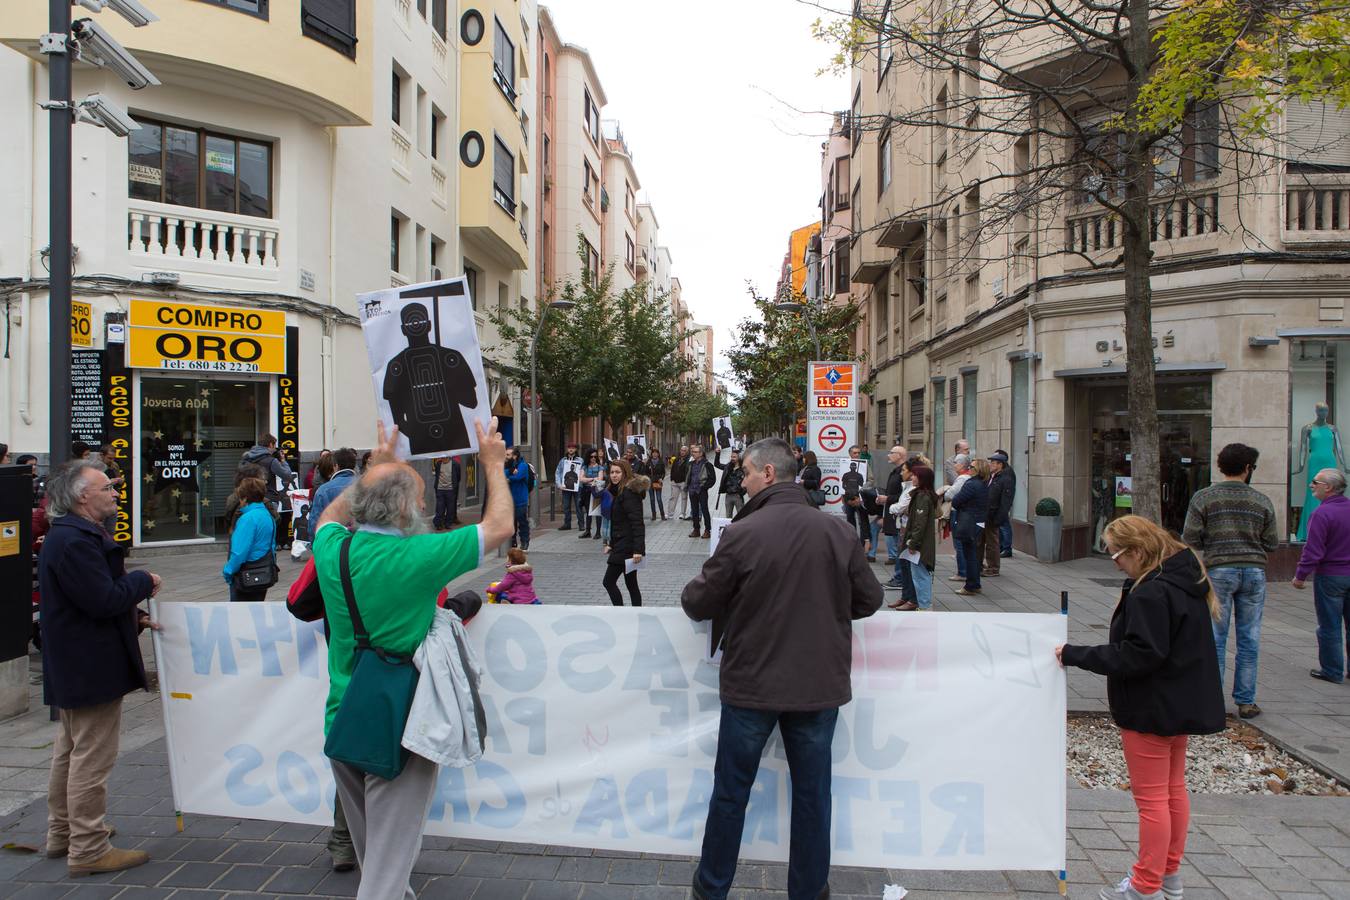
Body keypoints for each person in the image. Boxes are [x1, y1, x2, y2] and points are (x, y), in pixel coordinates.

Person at [313, 417, 512, 900]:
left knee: (377, 860)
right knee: (383, 875)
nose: (424, 506)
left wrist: (375, 466)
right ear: (404, 511)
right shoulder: (419, 557)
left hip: (344, 720)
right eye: (420, 499)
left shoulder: (333, 550)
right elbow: (501, 525)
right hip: (400, 726)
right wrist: (491, 463)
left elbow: (327, 520)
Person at [681, 438, 883, 900]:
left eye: (747, 474)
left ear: (768, 474)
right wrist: (825, 608)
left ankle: (711, 890)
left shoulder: (742, 534)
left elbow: (697, 602)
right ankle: (810, 892)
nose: (742, 480)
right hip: (817, 687)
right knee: (813, 798)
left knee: (731, 794)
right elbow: (870, 600)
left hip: (752, 685)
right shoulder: (837, 533)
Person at [1057, 515, 1225, 900]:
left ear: (1136, 551)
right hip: (1179, 700)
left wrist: (1074, 654)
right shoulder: (1186, 578)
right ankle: (1169, 877)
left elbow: (1138, 655)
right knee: (1172, 791)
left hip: (1150, 705)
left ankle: (1145, 885)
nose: (1113, 561)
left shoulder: (1151, 592)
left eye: (1115, 553)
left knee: (1152, 801)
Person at [38, 460, 162, 876]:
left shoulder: (71, 537)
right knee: (92, 755)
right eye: (106, 487)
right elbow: (102, 599)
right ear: (81, 497)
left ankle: (63, 833)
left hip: (77, 659)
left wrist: (135, 618)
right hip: (89, 664)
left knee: (70, 750)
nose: (115, 492)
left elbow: (89, 602)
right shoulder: (76, 542)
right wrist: (143, 580)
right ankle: (88, 847)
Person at [1181, 443, 1278, 718]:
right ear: (1248, 468)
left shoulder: (1204, 497)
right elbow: (1271, 542)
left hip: (1219, 570)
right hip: (1254, 571)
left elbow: (1190, 537)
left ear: (1220, 466)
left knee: (1215, 637)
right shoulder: (1261, 501)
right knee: (1250, 637)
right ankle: (1246, 700)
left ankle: (1212, 698)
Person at [1292, 468, 1350, 684]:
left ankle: (1332, 671)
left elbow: (1313, 550)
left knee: (1329, 625)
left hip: (1331, 576)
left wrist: (1300, 576)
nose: (1311, 485)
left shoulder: (1322, 513)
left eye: (1315, 482)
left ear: (1329, 487)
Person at [222, 477, 275, 601]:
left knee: (240, 616)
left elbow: (239, 552)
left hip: (246, 575)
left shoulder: (247, 519)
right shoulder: (267, 515)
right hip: (263, 572)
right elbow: (271, 546)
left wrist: (228, 572)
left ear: (245, 498)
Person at [894, 464, 939, 610]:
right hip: (921, 542)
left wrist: (913, 543)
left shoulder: (922, 497)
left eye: (915, 475)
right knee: (919, 574)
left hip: (920, 545)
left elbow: (919, 524)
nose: (912, 477)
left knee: (920, 575)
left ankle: (925, 606)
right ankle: (923, 604)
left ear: (922, 479)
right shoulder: (922, 495)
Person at [603, 459, 647, 606]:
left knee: (608, 582)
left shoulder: (629, 493)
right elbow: (620, 523)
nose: (614, 475)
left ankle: (620, 612)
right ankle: (636, 612)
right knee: (631, 583)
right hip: (622, 543)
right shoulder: (618, 491)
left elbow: (637, 523)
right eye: (612, 472)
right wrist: (611, 544)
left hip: (627, 547)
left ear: (625, 473)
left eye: (618, 472)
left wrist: (638, 550)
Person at [241, 433, 296, 548]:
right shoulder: (271, 461)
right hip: (268, 498)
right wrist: (282, 461)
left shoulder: (247, 457)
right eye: (274, 445)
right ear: (270, 444)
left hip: (249, 497)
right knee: (270, 527)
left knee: (255, 526)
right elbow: (287, 476)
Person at [950, 456, 988, 596]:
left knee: (970, 555)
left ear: (978, 470)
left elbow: (956, 501)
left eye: (972, 467)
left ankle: (971, 586)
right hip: (978, 521)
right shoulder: (983, 483)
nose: (969, 469)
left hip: (970, 522)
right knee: (973, 554)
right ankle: (975, 584)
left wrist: (958, 502)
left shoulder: (972, 484)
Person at [877, 445, 910, 588]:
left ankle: (899, 578)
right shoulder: (896, 472)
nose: (888, 455)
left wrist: (887, 498)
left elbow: (904, 496)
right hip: (893, 514)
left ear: (900, 455)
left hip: (899, 515)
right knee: (897, 546)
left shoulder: (904, 473)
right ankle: (899, 577)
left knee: (899, 547)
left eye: (891, 453)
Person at [981, 451, 1015, 577]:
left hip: (993, 516)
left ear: (1000, 464)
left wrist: (998, 519)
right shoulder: (992, 476)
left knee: (992, 543)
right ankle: (983, 565)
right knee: (983, 542)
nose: (991, 465)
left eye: (993, 463)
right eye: (991, 462)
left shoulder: (1005, 479)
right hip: (985, 515)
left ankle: (993, 568)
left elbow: (1006, 502)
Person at [310, 448, 358, 536]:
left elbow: (315, 524)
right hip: (362, 544)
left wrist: (316, 545)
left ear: (335, 466)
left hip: (333, 543)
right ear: (354, 465)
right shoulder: (367, 486)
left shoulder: (323, 490)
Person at [686, 444, 716, 538]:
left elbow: (712, 479)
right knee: (694, 511)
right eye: (692, 452)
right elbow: (688, 475)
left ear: (701, 453)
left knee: (704, 510)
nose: (693, 453)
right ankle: (696, 529)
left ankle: (707, 530)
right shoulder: (691, 464)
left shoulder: (707, 464)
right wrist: (688, 485)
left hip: (701, 491)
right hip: (692, 490)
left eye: (695, 452)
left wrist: (704, 487)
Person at [505, 447, 531, 551]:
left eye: (508, 455)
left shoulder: (523, 465)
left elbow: (518, 476)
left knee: (522, 521)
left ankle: (525, 541)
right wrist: (510, 471)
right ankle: (512, 541)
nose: (506, 457)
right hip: (509, 500)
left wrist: (508, 477)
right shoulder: (507, 466)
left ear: (515, 456)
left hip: (520, 499)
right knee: (511, 523)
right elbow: (501, 473)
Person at [554, 443, 582, 530]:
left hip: (577, 487)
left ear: (576, 450)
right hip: (565, 487)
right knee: (566, 506)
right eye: (569, 447)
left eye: (573, 448)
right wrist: (559, 484)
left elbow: (583, 472)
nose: (571, 449)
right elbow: (558, 472)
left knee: (579, 505)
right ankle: (567, 524)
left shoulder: (580, 460)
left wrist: (581, 482)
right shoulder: (563, 460)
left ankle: (581, 524)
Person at [432, 455, 462, 531]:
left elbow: (458, 476)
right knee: (440, 508)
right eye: (441, 457)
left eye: (444, 457)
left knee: (450, 508)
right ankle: (438, 524)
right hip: (440, 489)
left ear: (448, 456)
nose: (442, 458)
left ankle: (448, 523)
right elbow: (437, 474)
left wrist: (454, 485)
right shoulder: (438, 464)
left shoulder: (455, 464)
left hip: (450, 490)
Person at [714, 449, 747, 518]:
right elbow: (717, 464)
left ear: (739, 458)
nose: (732, 458)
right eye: (731, 457)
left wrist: (742, 492)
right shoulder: (728, 467)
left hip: (738, 496)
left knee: (741, 516)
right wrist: (717, 454)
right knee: (728, 516)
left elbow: (747, 481)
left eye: (734, 457)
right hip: (728, 495)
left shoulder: (743, 469)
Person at [579, 450, 604, 539]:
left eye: (595, 456)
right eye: (591, 456)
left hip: (596, 490)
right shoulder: (584, 467)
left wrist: (588, 479)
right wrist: (593, 479)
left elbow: (600, 479)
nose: (593, 458)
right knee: (588, 512)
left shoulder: (600, 467)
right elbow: (581, 479)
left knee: (597, 511)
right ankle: (587, 531)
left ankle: (598, 532)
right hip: (586, 491)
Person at [671, 445, 691, 520]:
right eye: (681, 450)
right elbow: (673, 468)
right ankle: (670, 513)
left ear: (687, 452)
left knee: (684, 498)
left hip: (683, 482)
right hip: (675, 481)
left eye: (684, 451)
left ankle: (682, 513)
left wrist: (686, 481)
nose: (682, 452)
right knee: (673, 498)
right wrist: (672, 478)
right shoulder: (677, 459)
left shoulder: (689, 460)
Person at [647, 447, 667, 521]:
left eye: (656, 453)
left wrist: (661, 478)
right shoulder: (648, 462)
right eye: (653, 453)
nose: (655, 454)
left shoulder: (661, 462)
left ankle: (662, 515)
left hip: (658, 482)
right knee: (652, 499)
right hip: (650, 482)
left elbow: (663, 473)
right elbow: (646, 472)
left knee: (659, 499)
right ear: (651, 454)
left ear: (658, 454)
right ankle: (654, 515)